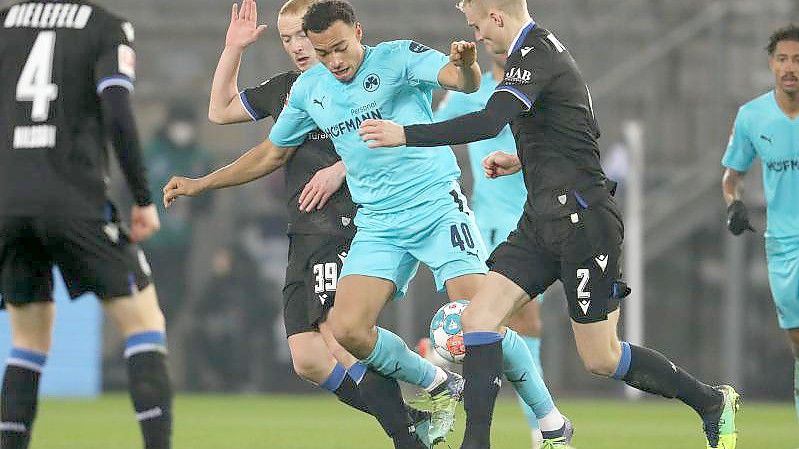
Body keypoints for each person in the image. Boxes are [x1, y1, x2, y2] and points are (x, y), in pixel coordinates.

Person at [358, 1, 740, 448]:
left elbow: (487, 120)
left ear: (497, 18)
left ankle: (711, 401)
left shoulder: (535, 53)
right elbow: (578, 129)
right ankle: (476, 441)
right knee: (480, 318)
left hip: (584, 221)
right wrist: (524, 160)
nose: (477, 35)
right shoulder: (535, 57)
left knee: (601, 358)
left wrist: (406, 133)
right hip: (540, 220)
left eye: (477, 25)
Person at [268, 2, 572, 448]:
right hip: (395, 221)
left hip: (459, 210)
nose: (333, 60)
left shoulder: (530, 80)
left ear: (358, 32)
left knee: (488, 322)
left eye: (339, 48)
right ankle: (439, 383)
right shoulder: (313, 88)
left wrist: (459, 72)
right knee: (349, 328)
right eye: (322, 51)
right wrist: (202, 184)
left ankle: (548, 423)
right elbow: (272, 148)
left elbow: (464, 85)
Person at [161, 0, 437, 446]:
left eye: (303, 37)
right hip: (305, 229)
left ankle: (412, 426)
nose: (296, 47)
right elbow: (221, 110)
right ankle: (409, 417)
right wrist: (234, 48)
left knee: (340, 334)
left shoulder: (363, 77)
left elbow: (403, 127)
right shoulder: (292, 90)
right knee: (307, 357)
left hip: (347, 223)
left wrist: (342, 166)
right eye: (287, 39)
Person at [0, 2, 172, 449]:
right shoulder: (104, 26)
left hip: (8, 205)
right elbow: (117, 111)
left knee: (28, 339)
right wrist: (141, 197)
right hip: (73, 197)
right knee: (144, 322)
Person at [435, 49, 546, 449]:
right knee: (521, 324)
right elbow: (430, 130)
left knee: (491, 325)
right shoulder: (474, 93)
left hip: (537, 220)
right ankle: (543, 427)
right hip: (496, 225)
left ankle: (436, 363)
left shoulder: (536, 88)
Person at [721, 24, 799, 425]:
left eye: (798, 60)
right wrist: (734, 205)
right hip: (783, 244)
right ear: (771, 64)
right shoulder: (753, 116)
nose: (790, 68)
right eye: (783, 59)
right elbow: (732, 177)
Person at [143, 101, 214, 322]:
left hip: (181, 242)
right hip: (148, 240)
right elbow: (127, 189)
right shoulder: (151, 153)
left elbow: (208, 200)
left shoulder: (200, 158)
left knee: (176, 297)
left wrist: (193, 207)